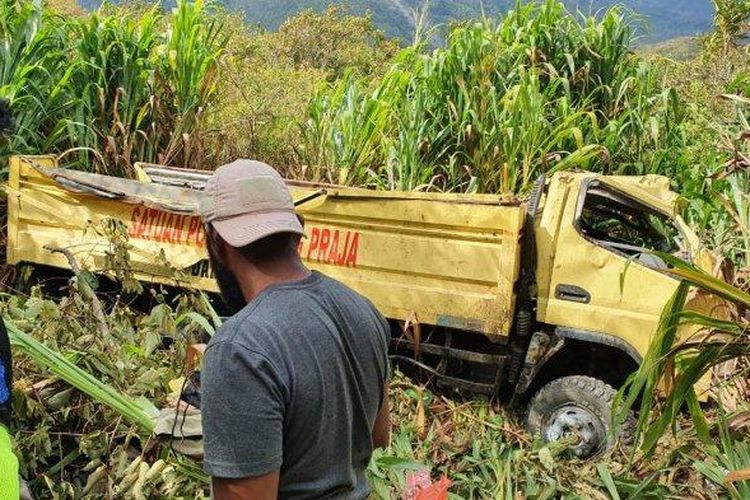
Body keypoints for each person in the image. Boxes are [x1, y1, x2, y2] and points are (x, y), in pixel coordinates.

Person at [198, 159, 391, 499]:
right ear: (297, 230)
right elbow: (378, 436)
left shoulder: (240, 348)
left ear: (215, 241)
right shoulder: (364, 310)